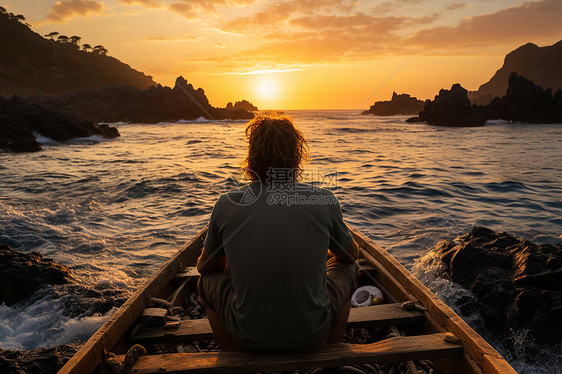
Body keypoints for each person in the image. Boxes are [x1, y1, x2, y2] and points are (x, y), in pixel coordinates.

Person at [196, 114, 358, 351]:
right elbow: (350, 256)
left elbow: (205, 268)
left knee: (205, 282)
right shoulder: (324, 199)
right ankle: (328, 349)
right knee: (351, 268)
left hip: (247, 337)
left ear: (252, 157)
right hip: (312, 335)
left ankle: (233, 354)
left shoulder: (226, 203)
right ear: (297, 156)